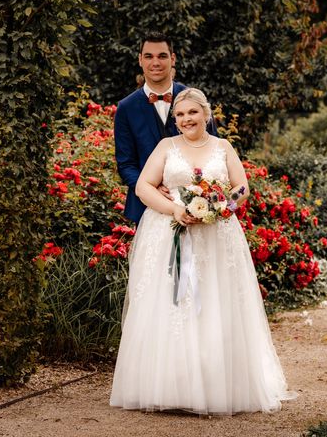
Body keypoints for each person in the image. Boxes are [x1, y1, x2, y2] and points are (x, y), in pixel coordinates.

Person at [110, 88, 296, 414]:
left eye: (192, 113)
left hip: (216, 236)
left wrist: (219, 208)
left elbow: (241, 188)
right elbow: (142, 187)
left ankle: (215, 385)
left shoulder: (223, 147)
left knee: (213, 304)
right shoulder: (166, 147)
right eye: (180, 115)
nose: (186, 120)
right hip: (173, 234)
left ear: (206, 114)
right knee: (173, 305)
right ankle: (172, 386)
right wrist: (174, 210)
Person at [114, 32, 217, 224]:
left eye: (162, 56)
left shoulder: (194, 100)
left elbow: (213, 146)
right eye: (148, 56)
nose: (155, 62)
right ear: (140, 60)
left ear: (173, 58)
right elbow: (126, 163)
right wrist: (149, 188)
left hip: (197, 207)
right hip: (146, 208)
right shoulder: (126, 108)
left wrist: (200, 192)